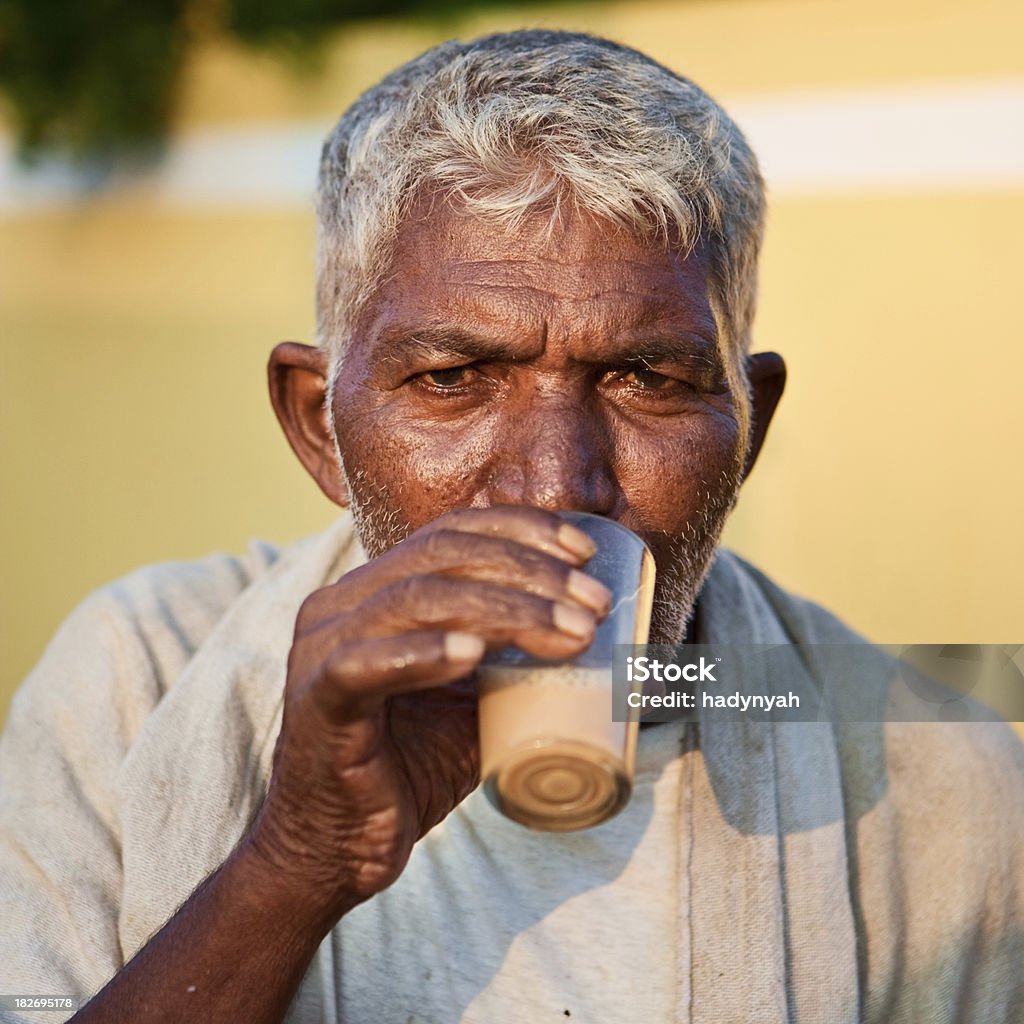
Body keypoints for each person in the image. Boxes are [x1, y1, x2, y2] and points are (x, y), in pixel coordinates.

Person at [1, 29, 1022, 1024]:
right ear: (320, 428)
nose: (553, 485)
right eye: (451, 378)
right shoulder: (138, 678)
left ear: (746, 435)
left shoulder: (941, 789)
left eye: (645, 379)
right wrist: (295, 863)